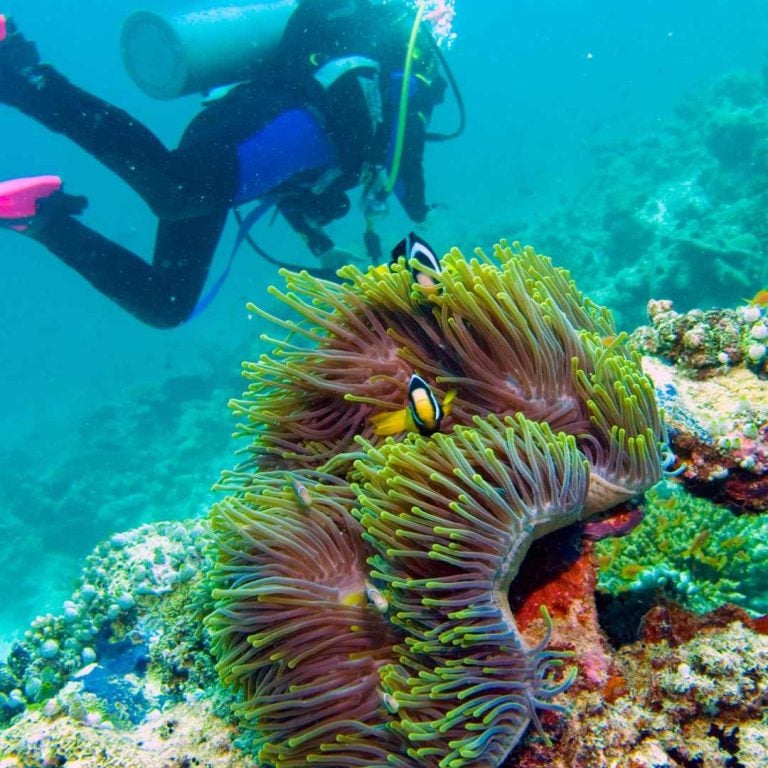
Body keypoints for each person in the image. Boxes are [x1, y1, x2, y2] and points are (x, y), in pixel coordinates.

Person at [0, 0, 450, 328]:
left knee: (165, 305)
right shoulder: (409, 58)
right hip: (273, 127)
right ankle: (23, 71)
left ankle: (38, 218)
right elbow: (405, 157)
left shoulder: (373, 59)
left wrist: (319, 247)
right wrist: (421, 211)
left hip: (247, 141)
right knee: (178, 193)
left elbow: (299, 180)